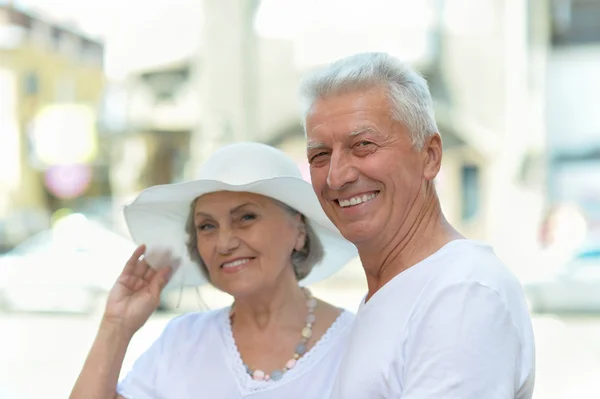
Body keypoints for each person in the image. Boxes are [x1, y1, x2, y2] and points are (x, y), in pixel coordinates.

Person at [299, 52, 536, 398]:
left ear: (430, 156)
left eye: (363, 145)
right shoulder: (401, 291)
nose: (336, 176)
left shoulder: (461, 293)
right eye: (320, 155)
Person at [69, 142, 358, 399]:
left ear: (299, 231)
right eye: (207, 226)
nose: (224, 243)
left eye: (246, 217)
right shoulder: (181, 342)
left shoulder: (357, 342)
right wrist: (116, 327)